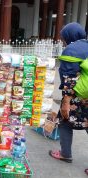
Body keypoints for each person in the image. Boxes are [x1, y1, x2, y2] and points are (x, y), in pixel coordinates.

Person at [49, 22, 88, 168]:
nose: (63, 41)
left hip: (78, 96)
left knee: (65, 121)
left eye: (63, 37)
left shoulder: (71, 50)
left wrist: (66, 102)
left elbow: (69, 79)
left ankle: (66, 154)